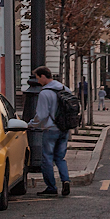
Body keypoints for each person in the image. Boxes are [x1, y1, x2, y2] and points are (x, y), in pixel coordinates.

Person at [28, 66, 72, 197]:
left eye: (37, 78)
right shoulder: (65, 89)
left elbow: (41, 115)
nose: (37, 81)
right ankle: (65, 180)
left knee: (46, 159)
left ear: (43, 76)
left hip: (50, 130)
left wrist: (31, 124)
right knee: (60, 158)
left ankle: (51, 187)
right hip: (64, 128)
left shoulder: (45, 93)